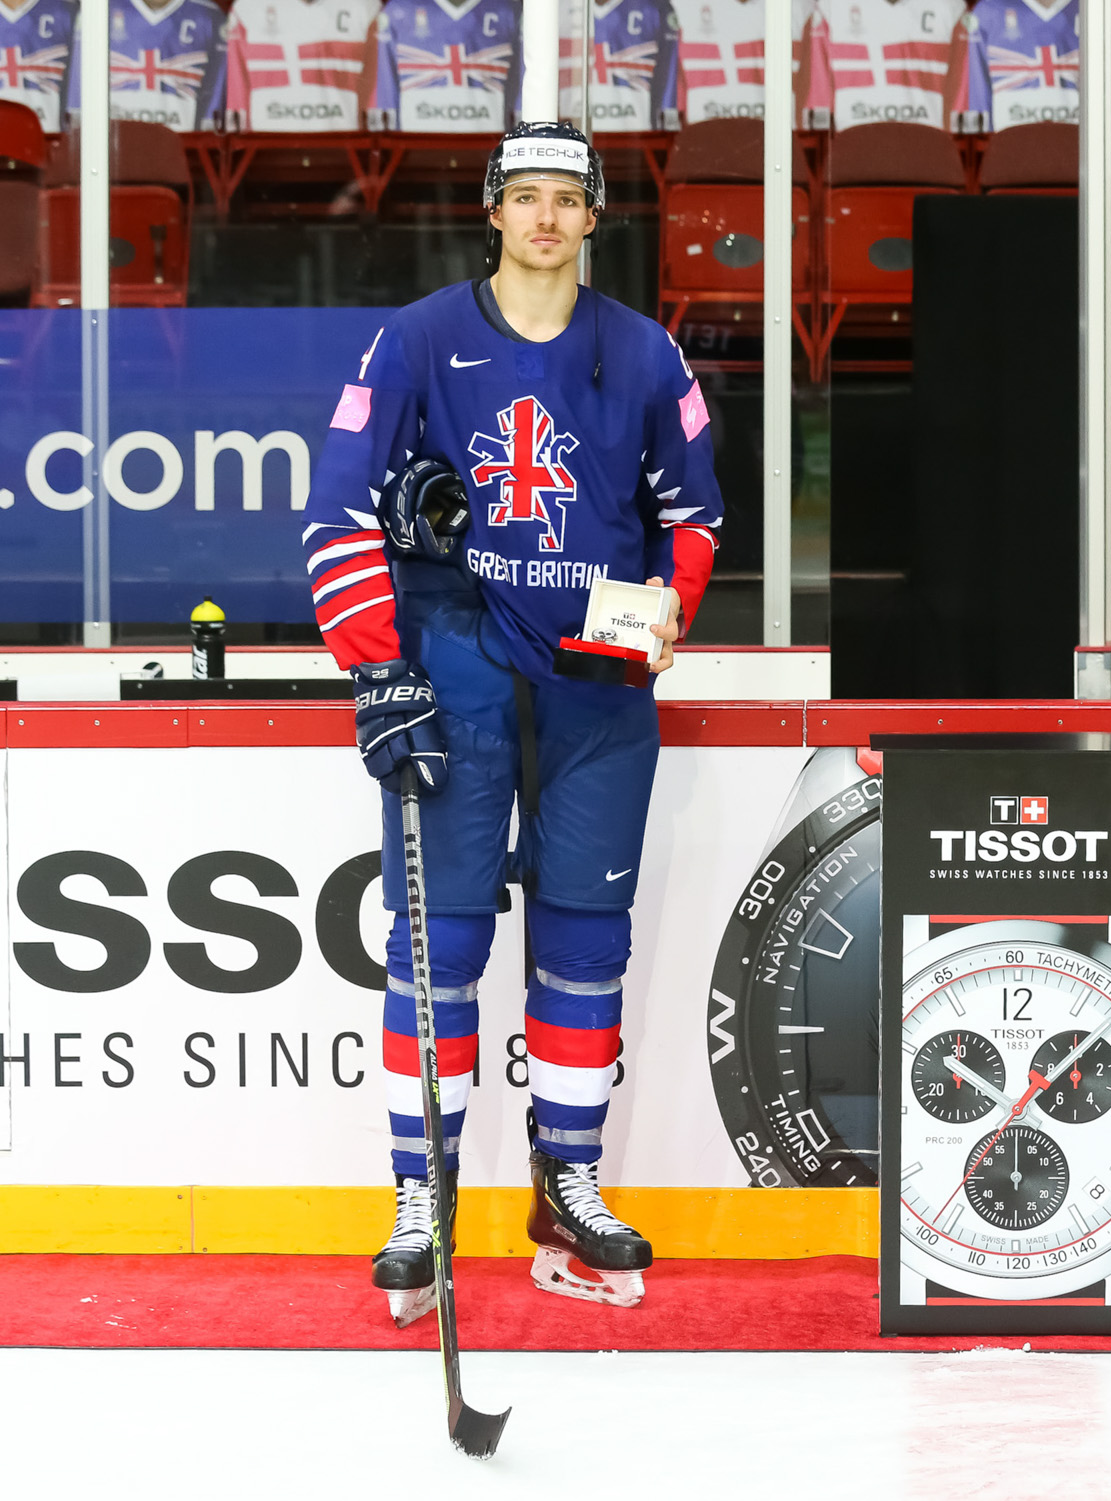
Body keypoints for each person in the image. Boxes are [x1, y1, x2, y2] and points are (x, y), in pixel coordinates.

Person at [301, 120, 723, 1325]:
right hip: (459, 669)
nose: (544, 218)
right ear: (491, 210)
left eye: (564, 199)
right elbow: (337, 513)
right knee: (438, 946)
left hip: (597, 685)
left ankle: (568, 1190)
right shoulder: (415, 339)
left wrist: (669, 611)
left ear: (594, 218)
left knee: (585, 944)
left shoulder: (644, 352)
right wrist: (380, 673)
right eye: (523, 196)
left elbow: (692, 516)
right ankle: (419, 1200)